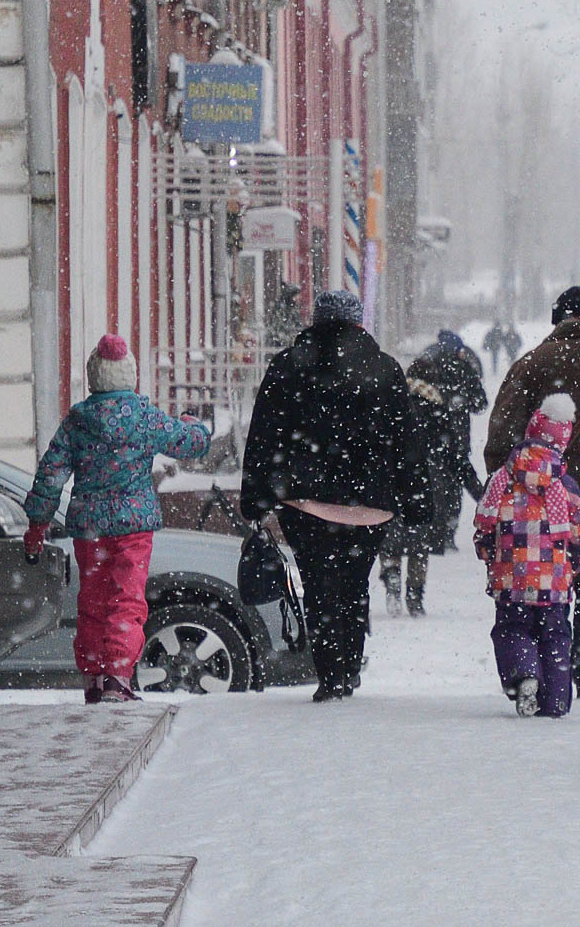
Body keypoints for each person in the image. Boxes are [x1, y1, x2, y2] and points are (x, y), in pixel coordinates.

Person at [241, 290, 430, 702]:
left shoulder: (289, 366)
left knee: (319, 585)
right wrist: (417, 499)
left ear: (316, 321)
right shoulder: (383, 369)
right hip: (368, 506)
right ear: (358, 322)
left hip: (306, 504)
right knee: (355, 584)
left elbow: (263, 436)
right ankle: (350, 666)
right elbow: (407, 441)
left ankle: (330, 675)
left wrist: (255, 497)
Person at [23, 334, 210, 704]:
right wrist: (196, 426)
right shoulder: (142, 416)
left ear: (95, 377)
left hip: (89, 527)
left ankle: (94, 677)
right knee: (126, 602)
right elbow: (189, 443)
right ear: (129, 375)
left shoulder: (78, 420)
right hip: (132, 528)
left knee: (92, 602)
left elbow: (50, 474)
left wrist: (37, 525)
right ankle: (118, 678)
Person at [484, 287, 580, 699]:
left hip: (534, 511)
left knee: (535, 593)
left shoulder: (531, 365)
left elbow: (500, 438)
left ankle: (534, 668)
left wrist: (509, 492)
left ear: (558, 320)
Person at [474, 393, 580, 718]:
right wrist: (579, 559)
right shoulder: (564, 484)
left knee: (513, 629)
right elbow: (579, 526)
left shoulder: (502, 478)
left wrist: (488, 552)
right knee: (555, 636)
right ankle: (555, 701)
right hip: (553, 579)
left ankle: (525, 675)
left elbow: (485, 521)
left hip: (510, 576)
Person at [381, 330, 487, 616]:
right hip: (423, 489)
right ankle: (415, 597)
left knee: (390, 540)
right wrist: (483, 495)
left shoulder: (391, 409)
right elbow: (456, 461)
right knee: (418, 546)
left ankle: (391, 579)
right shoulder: (437, 414)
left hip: (391, 489)